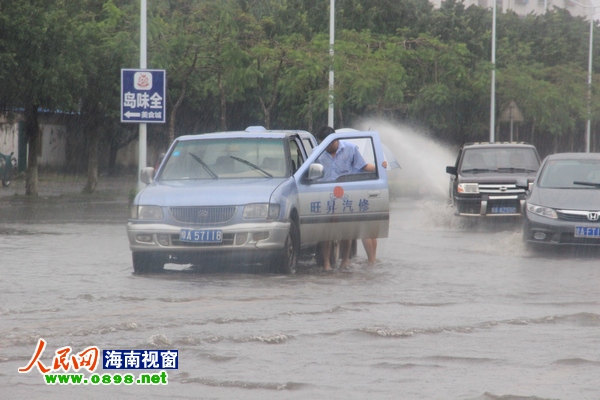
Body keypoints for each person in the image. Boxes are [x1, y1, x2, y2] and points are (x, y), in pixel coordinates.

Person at [315, 126, 384, 270]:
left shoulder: (350, 149)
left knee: (346, 231)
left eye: (330, 143)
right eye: (324, 144)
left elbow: (364, 166)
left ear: (336, 140)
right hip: (326, 195)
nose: (327, 147)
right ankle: (327, 264)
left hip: (347, 195)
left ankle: (345, 261)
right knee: (326, 232)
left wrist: (380, 168)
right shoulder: (318, 153)